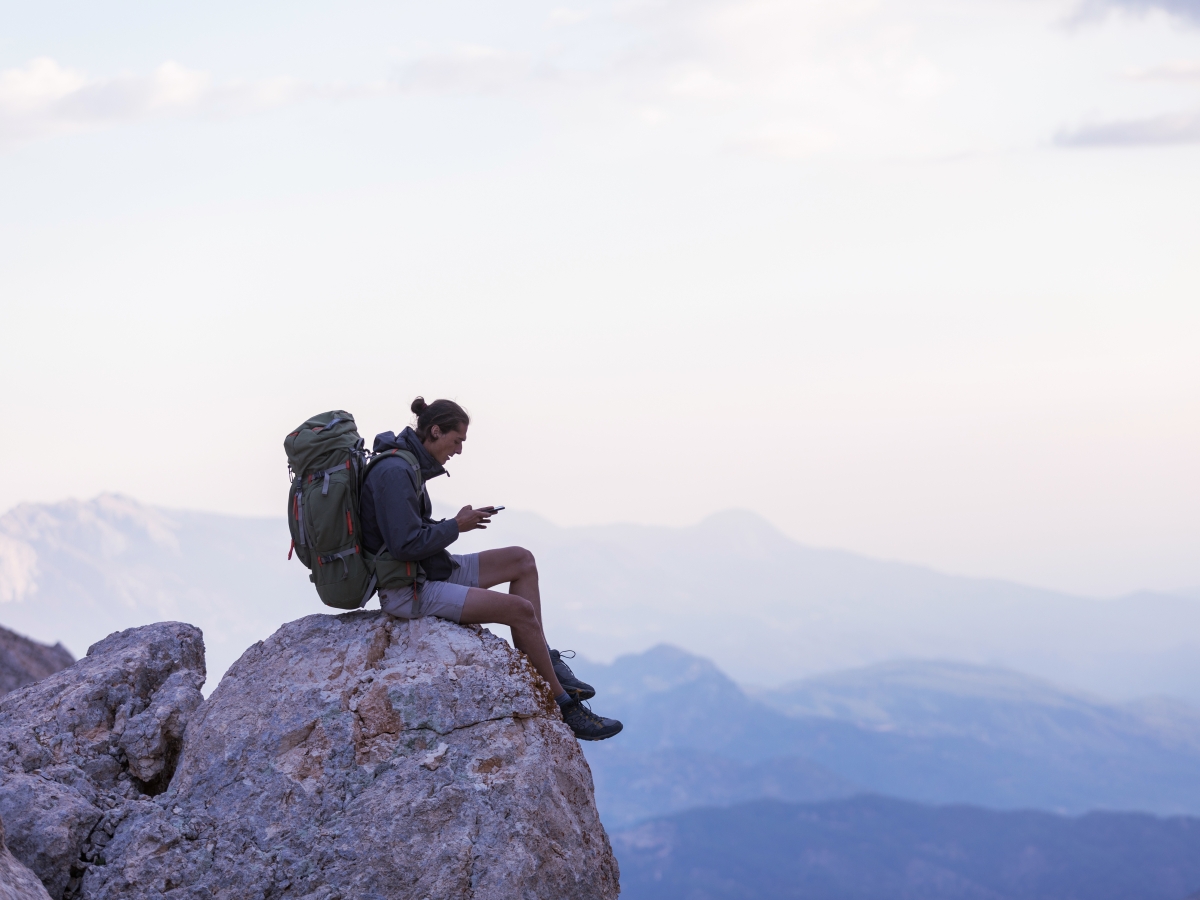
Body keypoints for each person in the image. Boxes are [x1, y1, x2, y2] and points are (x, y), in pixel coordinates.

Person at [359, 396, 623, 742]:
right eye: (457, 441)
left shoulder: (406, 464)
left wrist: (455, 524)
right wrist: (457, 525)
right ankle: (564, 705)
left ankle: (545, 657)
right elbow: (404, 544)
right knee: (519, 610)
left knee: (521, 559)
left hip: (427, 569)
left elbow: (406, 533)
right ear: (435, 431)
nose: (459, 450)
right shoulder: (395, 471)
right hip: (408, 589)